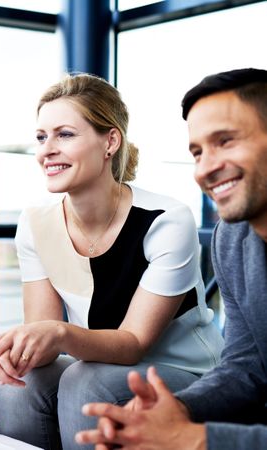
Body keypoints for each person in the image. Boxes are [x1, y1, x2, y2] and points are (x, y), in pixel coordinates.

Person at [0, 73, 224, 450]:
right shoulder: (35, 222)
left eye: (65, 134)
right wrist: (21, 350)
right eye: (41, 137)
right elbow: (45, 334)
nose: (47, 149)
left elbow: (132, 344)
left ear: (110, 141)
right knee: (22, 385)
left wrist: (60, 333)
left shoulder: (165, 219)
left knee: (87, 382)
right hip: (96, 366)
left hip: (187, 374)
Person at [75, 68, 267, 450]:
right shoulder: (232, 238)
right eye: (197, 152)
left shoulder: (170, 221)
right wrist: (172, 410)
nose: (206, 168)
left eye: (225, 141)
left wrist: (197, 439)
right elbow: (248, 367)